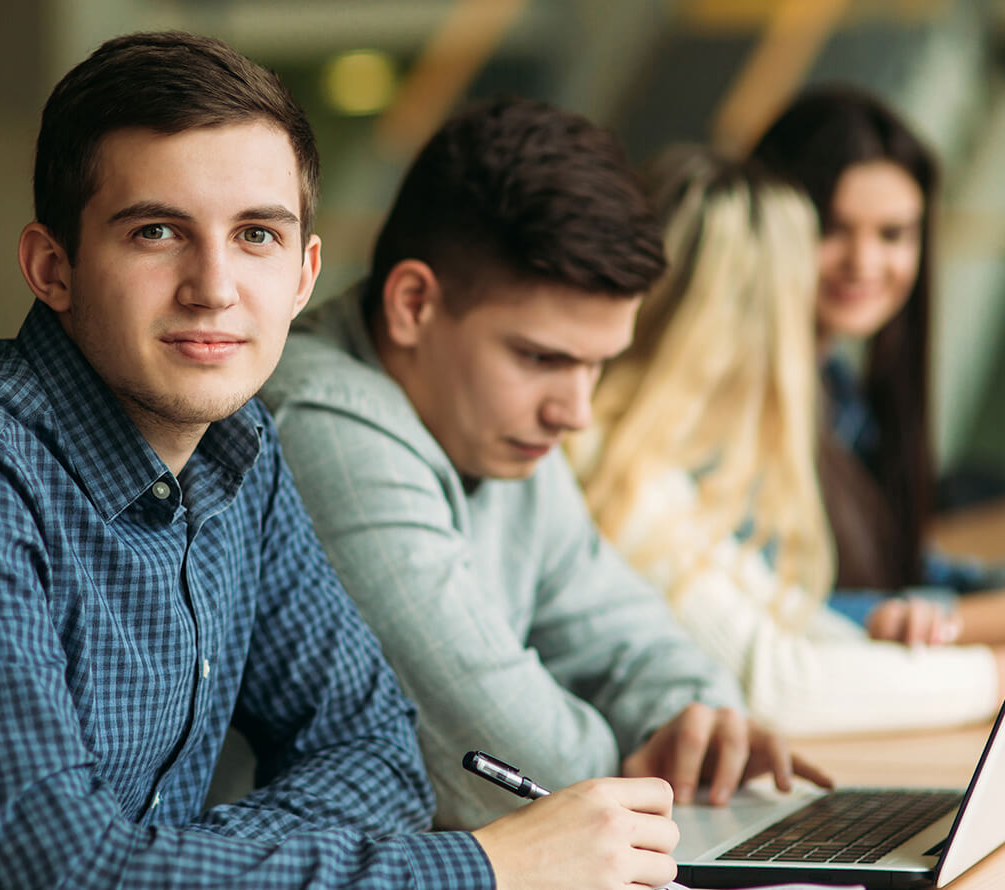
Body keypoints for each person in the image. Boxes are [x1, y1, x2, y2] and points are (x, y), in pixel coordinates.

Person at [0, 33, 683, 890]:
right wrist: (491, 867)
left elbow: (378, 752)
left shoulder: (240, 450)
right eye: (156, 231)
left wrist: (171, 864)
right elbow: (57, 870)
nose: (214, 286)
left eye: (256, 235)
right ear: (53, 267)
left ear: (304, 275)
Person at [260, 96, 828, 832]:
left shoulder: (496, 425)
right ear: (412, 305)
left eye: (596, 366)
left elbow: (625, 631)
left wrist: (691, 719)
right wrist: (652, 760)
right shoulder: (320, 424)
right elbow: (513, 767)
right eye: (541, 358)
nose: (575, 411)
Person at [568, 145, 1005, 736]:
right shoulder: (611, 464)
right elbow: (778, 684)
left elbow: (793, 624)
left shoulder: (661, 459)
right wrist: (989, 674)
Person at [750, 85, 1005, 647]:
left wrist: (978, 591)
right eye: (832, 229)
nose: (863, 263)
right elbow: (754, 608)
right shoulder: (734, 396)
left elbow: (897, 565)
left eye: (892, 235)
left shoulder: (837, 383)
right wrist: (940, 618)